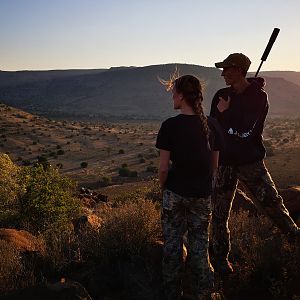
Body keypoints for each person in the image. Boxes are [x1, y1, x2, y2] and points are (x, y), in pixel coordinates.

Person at [210, 53, 300, 276]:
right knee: (219, 214)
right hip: (225, 163)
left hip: (250, 162)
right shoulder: (221, 95)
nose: (222, 73)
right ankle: (221, 261)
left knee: (272, 204)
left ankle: (295, 241)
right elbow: (213, 129)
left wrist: (226, 113)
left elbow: (245, 131)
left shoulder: (258, 98)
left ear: (239, 70)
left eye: (227, 69)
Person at [156, 74, 220, 300]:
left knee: (172, 248)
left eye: (174, 93)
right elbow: (214, 167)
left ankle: (172, 294)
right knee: (200, 248)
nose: (172, 96)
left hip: (175, 193)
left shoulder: (170, 126)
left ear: (181, 96)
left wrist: (163, 188)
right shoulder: (212, 124)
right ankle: (205, 293)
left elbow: (163, 168)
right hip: (202, 195)